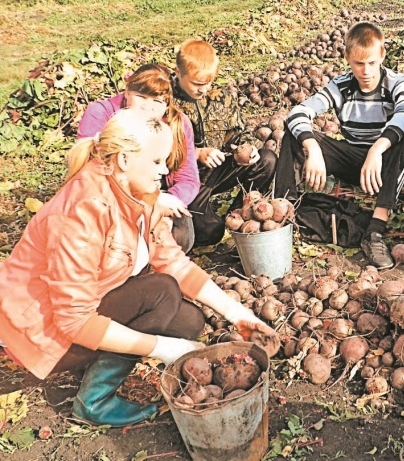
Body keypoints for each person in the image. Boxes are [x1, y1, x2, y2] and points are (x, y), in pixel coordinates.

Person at [0, 110, 278, 427]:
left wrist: (239, 315)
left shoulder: (137, 193)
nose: (166, 170)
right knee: (161, 293)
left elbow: (173, 261)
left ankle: (99, 363)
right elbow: (73, 321)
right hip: (34, 331)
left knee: (189, 320)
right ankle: (94, 401)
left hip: (77, 311)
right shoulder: (82, 211)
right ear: (123, 160)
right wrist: (162, 348)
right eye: (157, 161)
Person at [273, 21, 404, 269]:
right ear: (347, 58)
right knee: (292, 136)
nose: (366, 71)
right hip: (355, 160)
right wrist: (313, 147)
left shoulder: (397, 82)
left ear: (382, 54)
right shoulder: (340, 86)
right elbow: (298, 113)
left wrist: (377, 149)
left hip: (387, 160)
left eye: (372, 63)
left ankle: (375, 231)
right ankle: (282, 213)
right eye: (358, 64)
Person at [78, 63, 199, 252]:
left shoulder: (179, 124)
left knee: (182, 236)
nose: (147, 107)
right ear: (127, 91)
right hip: (109, 197)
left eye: (157, 102)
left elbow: (188, 179)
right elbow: (90, 175)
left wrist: (164, 203)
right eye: (141, 97)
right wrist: (150, 203)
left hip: (156, 192)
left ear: (167, 104)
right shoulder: (101, 114)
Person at [171, 39, 278, 247]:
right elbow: (156, 146)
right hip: (185, 180)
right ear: (178, 72)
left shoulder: (221, 98)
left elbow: (239, 132)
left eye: (208, 83)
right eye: (196, 84)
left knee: (267, 160)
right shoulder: (163, 100)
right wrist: (197, 153)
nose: (203, 90)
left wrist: (246, 147)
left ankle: (240, 211)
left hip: (219, 170)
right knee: (210, 232)